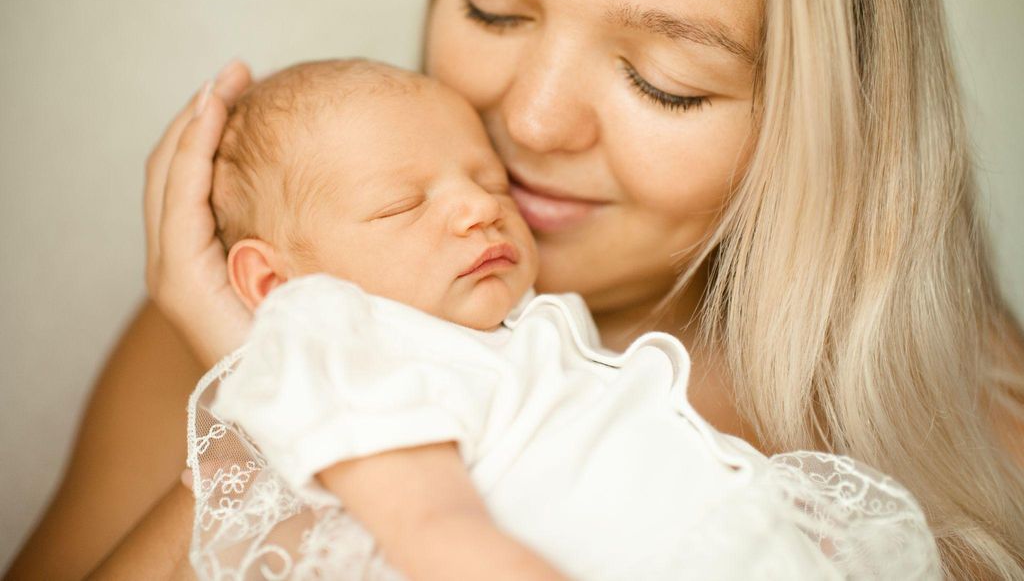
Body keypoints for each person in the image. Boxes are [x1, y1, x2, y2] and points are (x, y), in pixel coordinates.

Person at [7, 0, 1024, 579]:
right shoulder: (224, 338)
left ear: (833, 118)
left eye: (663, 79)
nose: (530, 122)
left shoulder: (984, 418)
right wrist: (278, 391)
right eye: (494, 10)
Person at [186, 57, 935, 579]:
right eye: (402, 205)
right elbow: (436, 534)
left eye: (488, 180)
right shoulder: (362, 354)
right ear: (276, 281)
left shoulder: (505, 336)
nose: (481, 207)